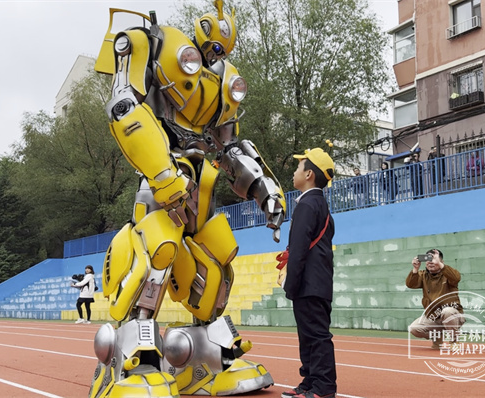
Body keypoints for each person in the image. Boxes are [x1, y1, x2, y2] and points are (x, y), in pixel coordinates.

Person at [90, 1, 285, 395]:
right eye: (211, 46)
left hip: (200, 182)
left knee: (218, 258)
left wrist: (265, 189)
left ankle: (208, 358)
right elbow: (124, 105)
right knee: (157, 253)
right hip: (162, 177)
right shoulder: (157, 44)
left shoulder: (223, 83)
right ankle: (132, 358)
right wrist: (161, 171)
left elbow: (229, 146)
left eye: (220, 51)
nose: (215, 54)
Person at [282, 148, 337, 398]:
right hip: (317, 282)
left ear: (309, 174)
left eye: (298, 167)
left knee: (315, 337)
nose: (294, 172)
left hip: (309, 283)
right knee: (309, 336)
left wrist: (290, 285)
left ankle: (323, 387)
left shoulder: (307, 204)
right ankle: (310, 383)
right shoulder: (319, 204)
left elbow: (300, 249)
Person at [406, 249, 465, 349]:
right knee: (414, 329)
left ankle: (454, 341)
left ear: (441, 261)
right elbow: (410, 284)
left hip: (452, 315)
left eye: (433, 259)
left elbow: (456, 278)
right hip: (434, 316)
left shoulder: (448, 274)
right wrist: (415, 269)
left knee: (447, 311)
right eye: (428, 259)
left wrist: (441, 266)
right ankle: (438, 335)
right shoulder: (424, 275)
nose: (430, 262)